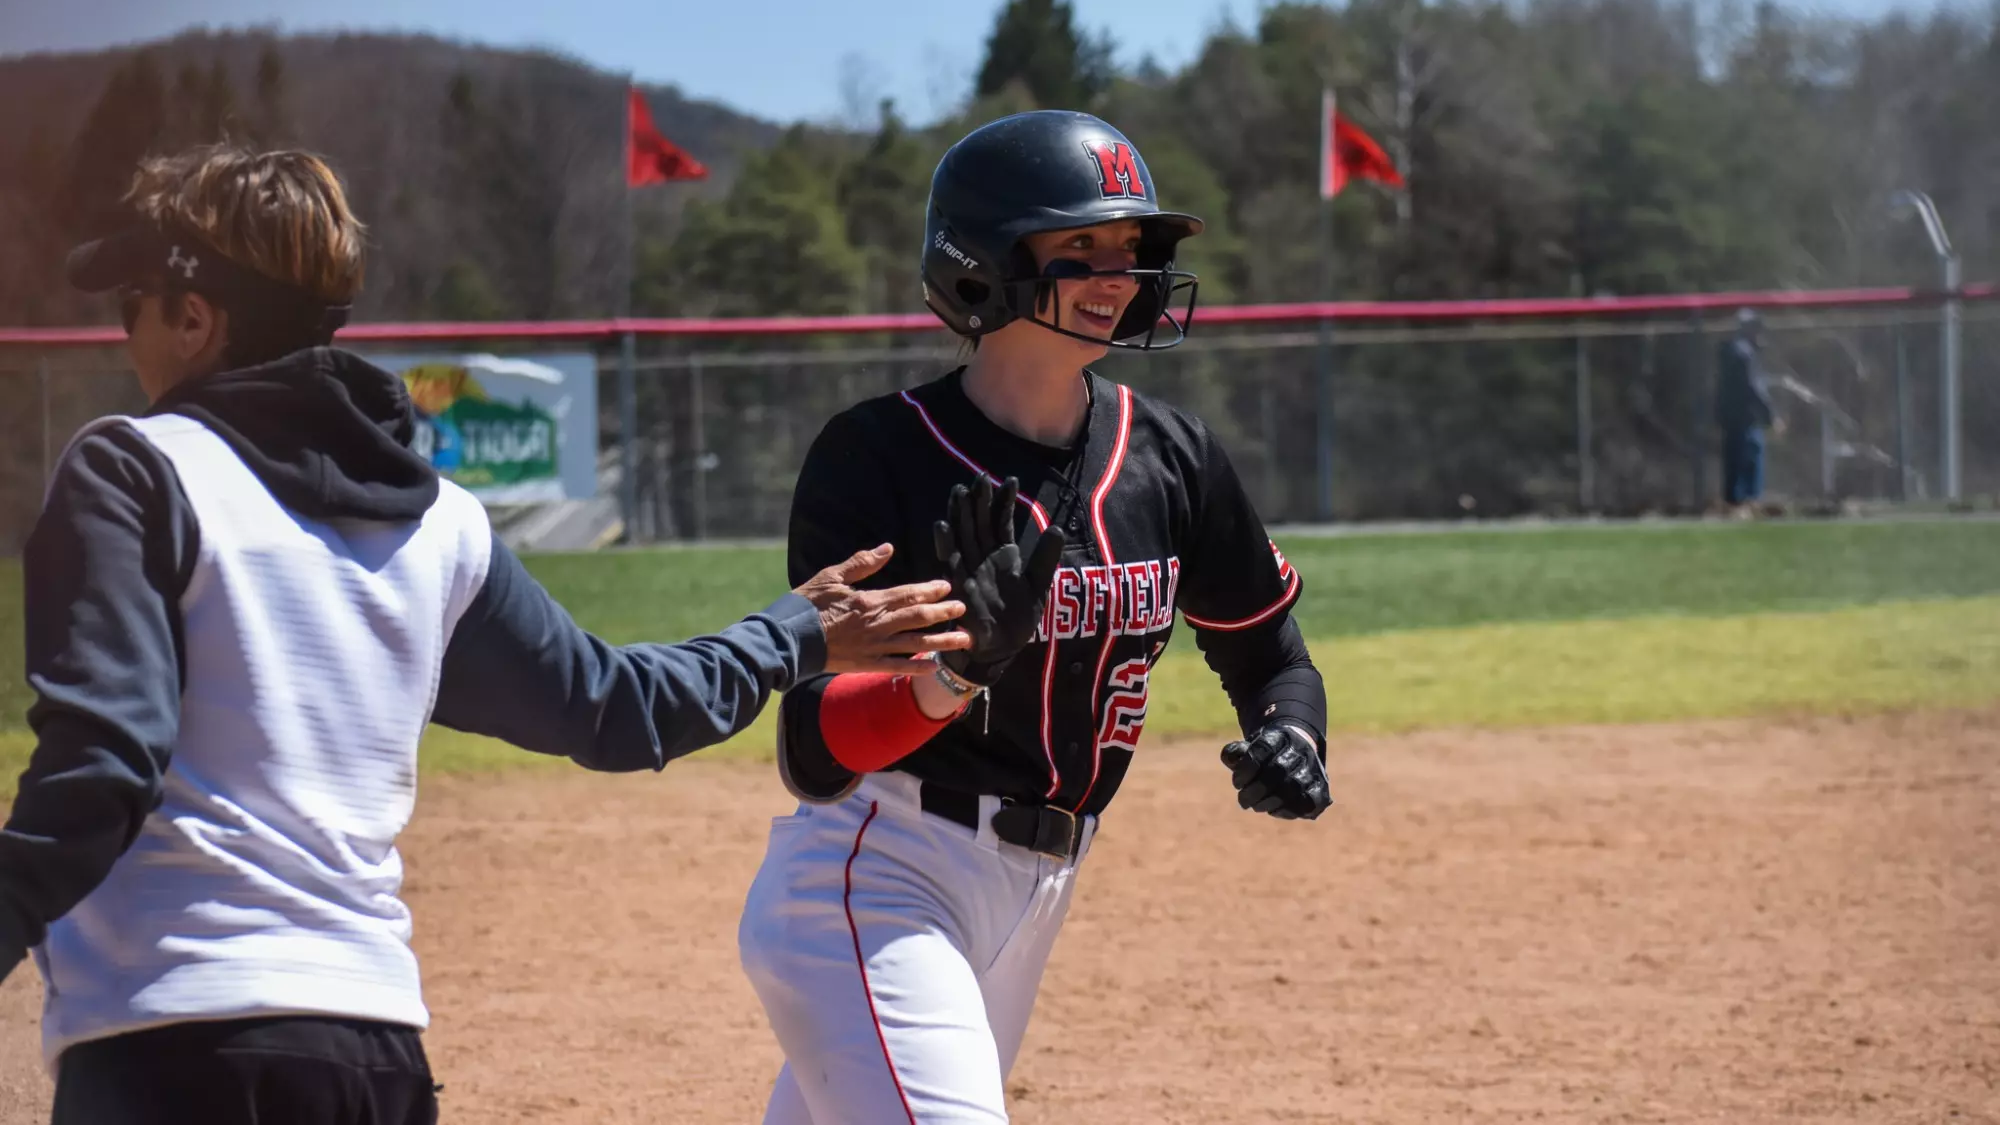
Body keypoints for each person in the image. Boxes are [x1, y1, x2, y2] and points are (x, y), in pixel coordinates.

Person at [0, 144, 970, 1125]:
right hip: (374, 1051)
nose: (124, 334)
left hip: (170, 1042)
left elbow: (105, 765)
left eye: (132, 303)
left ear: (194, 316)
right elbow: (615, 709)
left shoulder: (135, 469)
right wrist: (792, 633)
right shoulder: (437, 522)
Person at [735, 110, 1334, 1125]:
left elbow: (1272, 658)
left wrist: (1291, 735)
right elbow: (813, 744)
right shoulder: (880, 457)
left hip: (1038, 890)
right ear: (986, 265)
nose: (1117, 275)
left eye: (1129, 248)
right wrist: (954, 674)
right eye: (1080, 247)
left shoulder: (1172, 457)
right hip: (879, 875)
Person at [1716, 307, 1779, 511]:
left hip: (1731, 417)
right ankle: (1749, 500)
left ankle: (1733, 500)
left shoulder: (1730, 350)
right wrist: (1769, 415)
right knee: (1750, 456)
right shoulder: (1745, 354)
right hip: (1747, 417)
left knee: (1733, 458)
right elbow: (1754, 387)